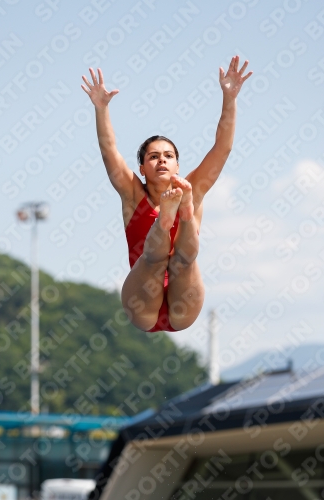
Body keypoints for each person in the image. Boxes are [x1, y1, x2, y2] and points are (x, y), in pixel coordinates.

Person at [81, 56, 252, 333]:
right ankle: (167, 219)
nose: (161, 160)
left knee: (183, 260)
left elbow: (222, 148)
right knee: (153, 258)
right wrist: (101, 109)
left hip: (183, 302)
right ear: (142, 168)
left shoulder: (193, 187)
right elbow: (109, 149)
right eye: (153, 157)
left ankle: (182, 215)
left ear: (177, 165)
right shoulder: (132, 194)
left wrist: (229, 97)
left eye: (168, 156)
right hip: (143, 304)